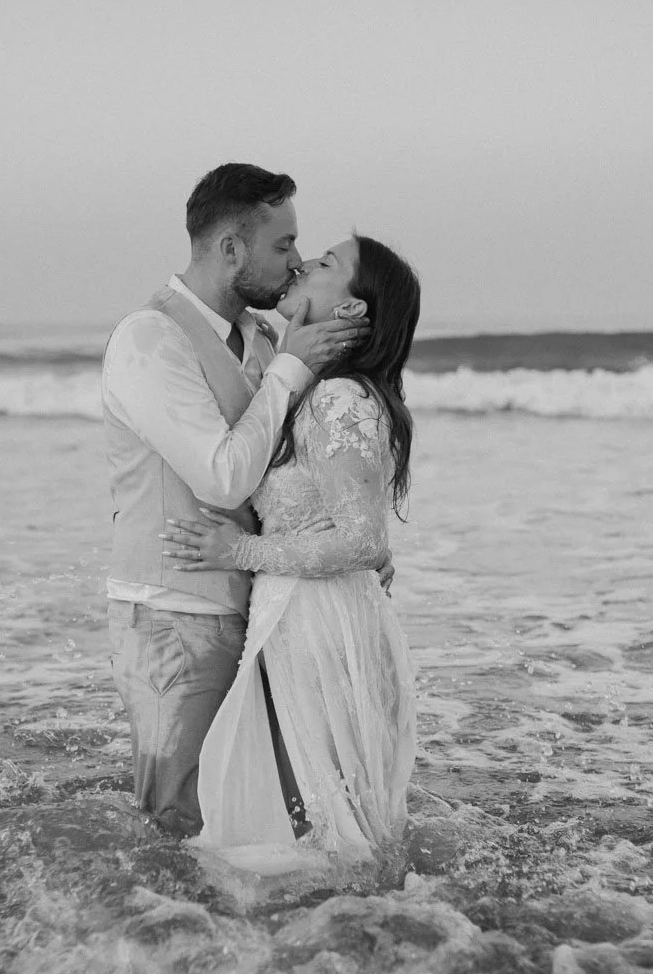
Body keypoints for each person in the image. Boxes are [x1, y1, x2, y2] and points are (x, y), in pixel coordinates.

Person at [101, 164, 370, 837]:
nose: (297, 260)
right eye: (282, 245)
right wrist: (290, 370)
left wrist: (350, 541)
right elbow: (222, 477)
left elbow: (293, 466)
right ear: (230, 249)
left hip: (262, 611)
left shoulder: (262, 337)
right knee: (177, 820)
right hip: (175, 615)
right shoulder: (148, 339)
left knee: (264, 815)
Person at [164, 234, 421, 870]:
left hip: (315, 622)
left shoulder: (338, 399)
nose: (303, 263)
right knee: (315, 819)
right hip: (305, 615)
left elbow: (363, 540)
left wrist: (240, 550)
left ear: (354, 310)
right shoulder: (319, 392)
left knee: (320, 824)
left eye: (327, 264)